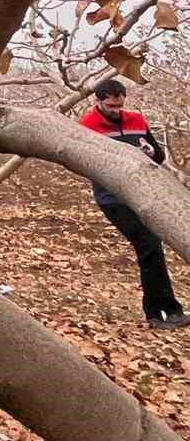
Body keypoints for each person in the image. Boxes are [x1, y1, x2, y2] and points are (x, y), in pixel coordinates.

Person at [79, 80, 188, 329]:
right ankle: (162, 312)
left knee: (153, 246)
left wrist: (148, 151)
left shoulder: (136, 120)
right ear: (98, 101)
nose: (116, 110)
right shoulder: (87, 126)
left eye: (120, 105)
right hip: (112, 198)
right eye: (110, 105)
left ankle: (163, 311)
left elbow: (158, 156)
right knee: (149, 245)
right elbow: (86, 163)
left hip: (143, 194)